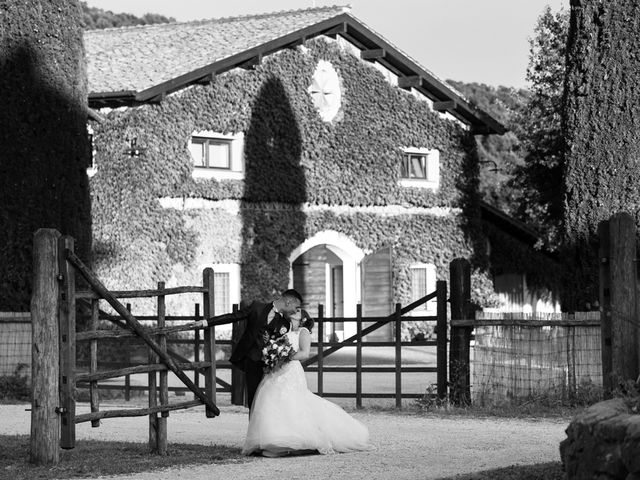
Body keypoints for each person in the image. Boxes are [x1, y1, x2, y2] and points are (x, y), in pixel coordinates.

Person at [243, 310, 373, 457]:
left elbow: (304, 353)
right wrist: (273, 355)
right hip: (276, 370)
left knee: (291, 402)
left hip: (290, 370)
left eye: (298, 311)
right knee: (270, 398)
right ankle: (271, 441)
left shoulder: (303, 332)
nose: (294, 311)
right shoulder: (283, 330)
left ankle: (295, 443)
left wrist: (284, 356)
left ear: (302, 317)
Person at [195, 289, 302, 410]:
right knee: (254, 399)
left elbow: (284, 344)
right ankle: (254, 427)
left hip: (272, 367)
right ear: (288, 301)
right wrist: (206, 322)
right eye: (296, 307)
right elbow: (233, 317)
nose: (296, 310)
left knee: (269, 400)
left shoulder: (285, 324)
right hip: (252, 360)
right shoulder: (257, 307)